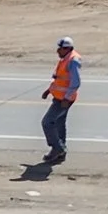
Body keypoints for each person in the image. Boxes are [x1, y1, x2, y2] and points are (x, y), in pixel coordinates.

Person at [41, 37, 82, 165]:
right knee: (59, 123)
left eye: (60, 48)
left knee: (47, 122)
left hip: (63, 99)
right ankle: (61, 152)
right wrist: (49, 90)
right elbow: (60, 79)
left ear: (66, 48)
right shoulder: (65, 59)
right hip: (59, 97)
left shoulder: (72, 60)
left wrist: (66, 98)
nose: (57, 51)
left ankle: (57, 148)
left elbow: (75, 82)